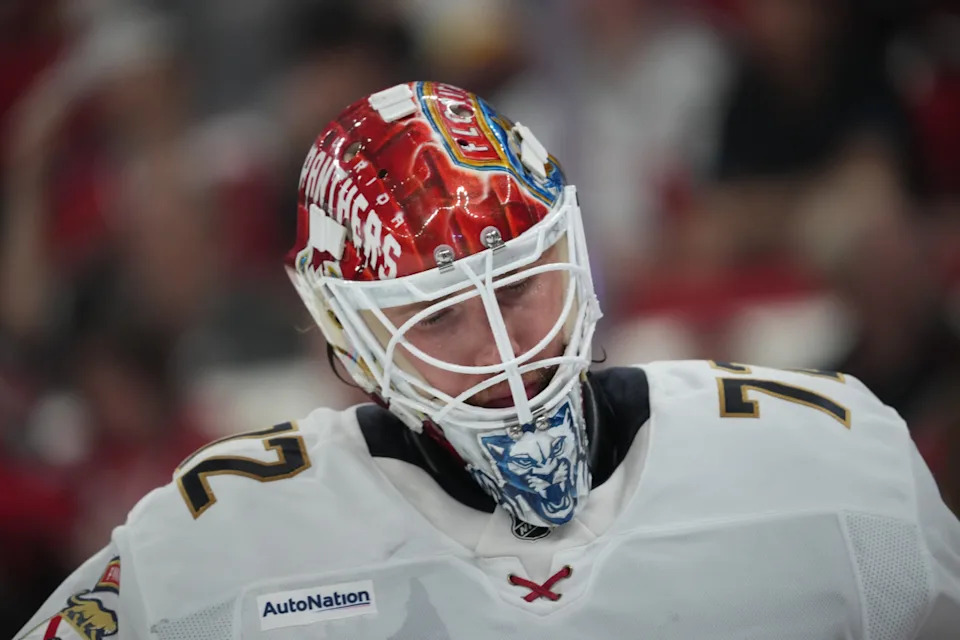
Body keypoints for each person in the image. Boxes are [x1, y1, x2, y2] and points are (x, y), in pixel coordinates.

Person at [16, 81, 960, 639]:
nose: (507, 358)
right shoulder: (207, 552)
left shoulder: (838, 465)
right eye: (439, 316)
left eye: (516, 289)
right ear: (348, 333)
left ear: (570, 252)